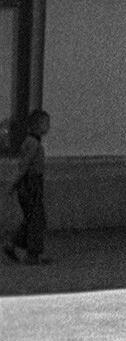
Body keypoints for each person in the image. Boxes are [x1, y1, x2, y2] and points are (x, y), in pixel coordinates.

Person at [4, 109, 51, 265]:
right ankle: (32, 254)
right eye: (46, 124)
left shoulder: (32, 142)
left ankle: (12, 244)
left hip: (31, 182)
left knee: (31, 217)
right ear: (37, 126)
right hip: (31, 183)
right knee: (37, 219)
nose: (48, 127)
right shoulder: (33, 143)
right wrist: (14, 183)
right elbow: (24, 166)